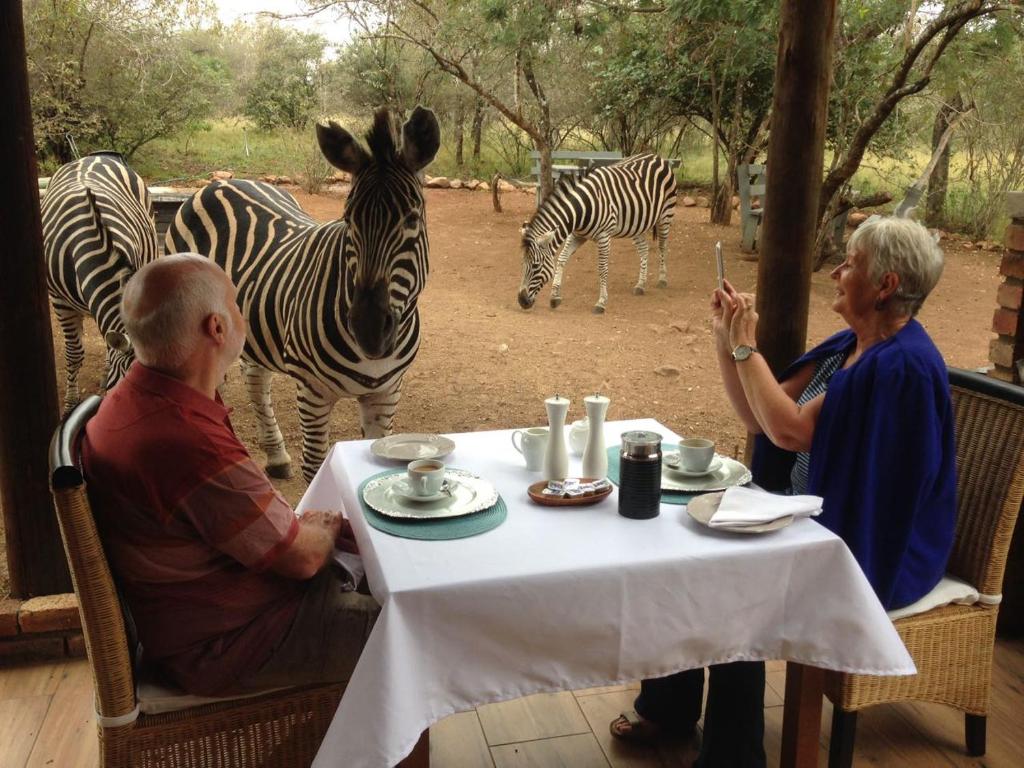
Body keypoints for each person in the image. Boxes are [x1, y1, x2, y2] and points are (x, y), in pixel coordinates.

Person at [611, 216, 957, 766]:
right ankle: (671, 708)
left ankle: (732, 756)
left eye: (851, 263)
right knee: (691, 559)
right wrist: (728, 339)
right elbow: (759, 417)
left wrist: (747, 347)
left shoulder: (900, 367)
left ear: (885, 285)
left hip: (866, 546)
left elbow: (790, 431)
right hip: (802, 514)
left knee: (738, 592)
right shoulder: (851, 347)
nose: (837, 272)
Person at [81, 253, 379, 697]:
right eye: (236, 303)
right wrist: (326, 528)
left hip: (210, 615)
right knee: (414, 631)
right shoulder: (184, 440)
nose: (243, 314)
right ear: (216, 328)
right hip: (233, 642)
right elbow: (301, 559)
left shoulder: (138, 399)